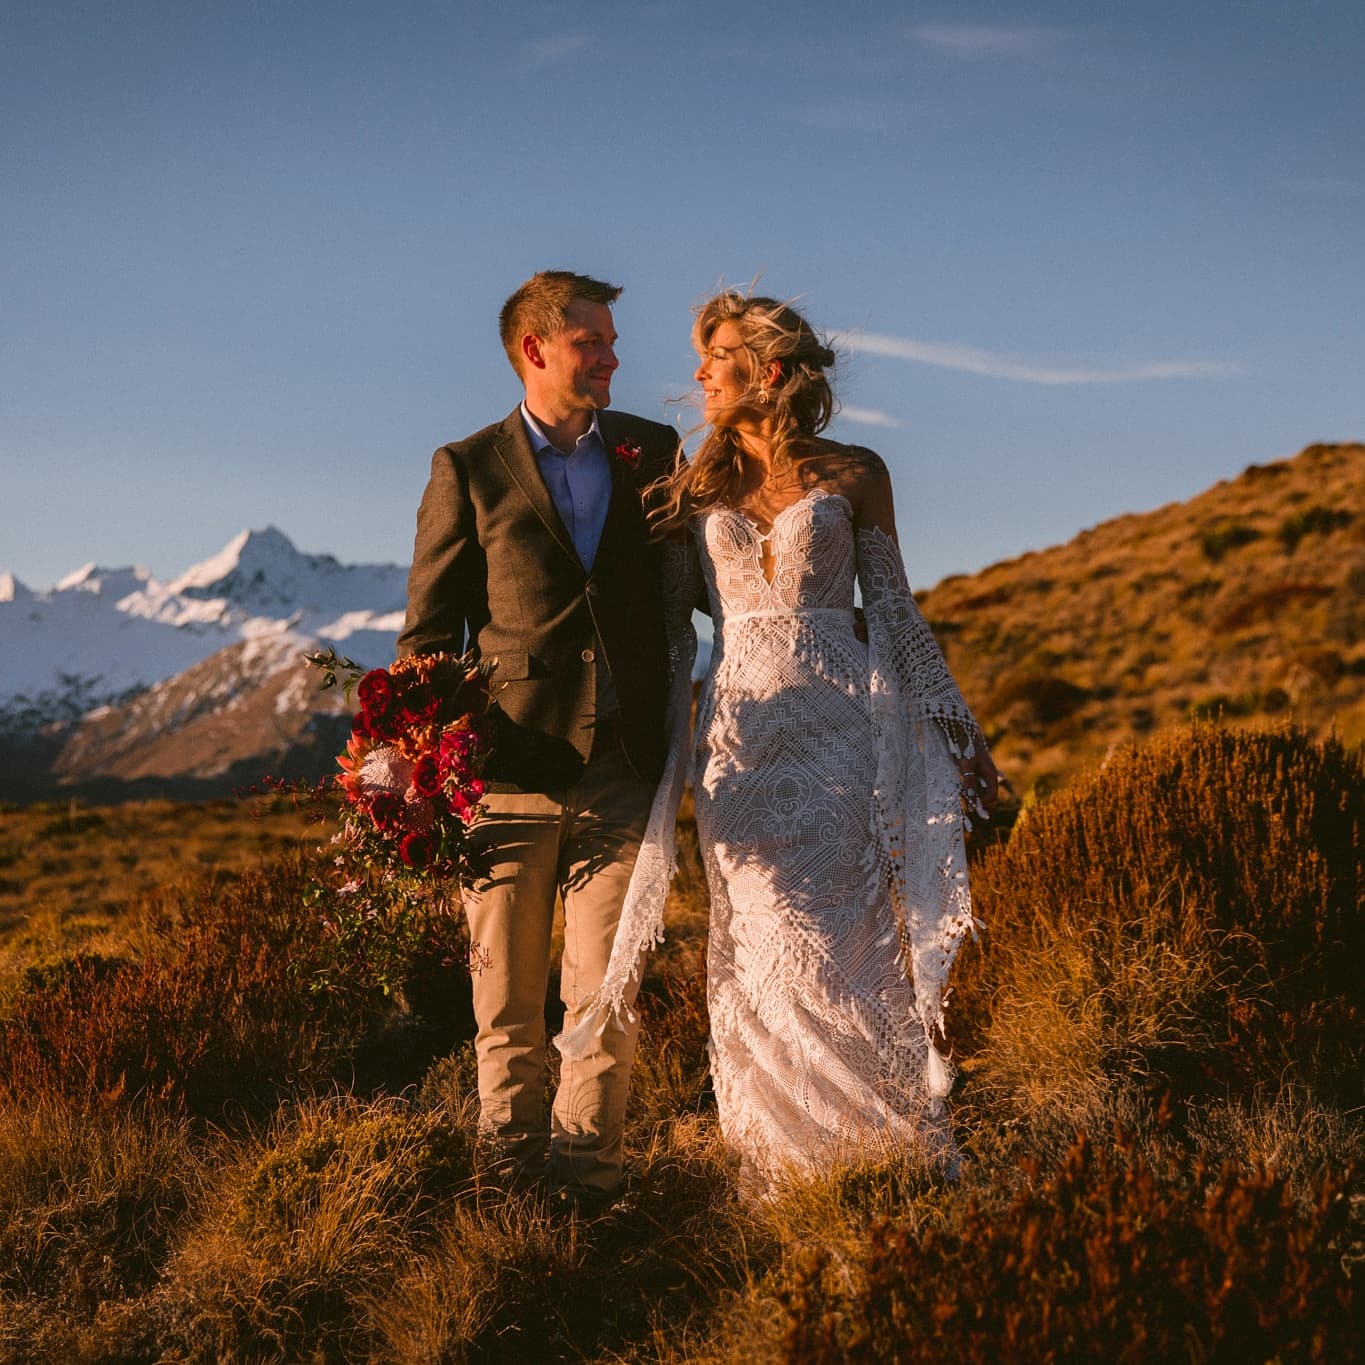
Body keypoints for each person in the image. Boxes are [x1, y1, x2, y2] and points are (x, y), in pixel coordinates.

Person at [567, 290, 998, 1192]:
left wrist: (955, 728)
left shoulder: (854, 473)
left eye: (712, 354)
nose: (696, 373)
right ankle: (779, 1177)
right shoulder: (692, 483)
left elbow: (892, 611)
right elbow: (662, 617)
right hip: (740, 744)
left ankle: (881, 1157)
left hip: (842, 740)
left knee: (846, 943)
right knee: (761, 941)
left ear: (764, 371)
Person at [397, 270, 681, 1210]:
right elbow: (429, 640)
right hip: (509, 773)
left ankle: (585, 1189)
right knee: (506, 1007)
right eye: (591, 342)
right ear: (535, 350)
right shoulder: (467, 467)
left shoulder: (653, 449)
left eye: (607, 342)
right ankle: (506, 1185)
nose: (610, 357)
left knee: (603, 997)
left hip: (625, 766)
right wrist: (421, 756)